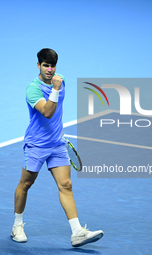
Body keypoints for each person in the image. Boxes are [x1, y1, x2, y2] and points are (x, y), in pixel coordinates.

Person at [11, 48, 103, 247]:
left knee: (66, 185)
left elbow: (58, 113)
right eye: (46, 65)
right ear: (38, 65)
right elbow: (47, 112)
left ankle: (77, 232)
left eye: (52, 66)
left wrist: (58, 133)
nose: (50, 70)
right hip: (36, 145)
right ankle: (17, 225)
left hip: (57, 144)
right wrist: (55, 89)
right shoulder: (33, 89)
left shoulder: (60, 82)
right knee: (25, 185)